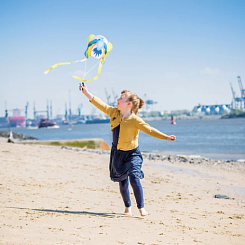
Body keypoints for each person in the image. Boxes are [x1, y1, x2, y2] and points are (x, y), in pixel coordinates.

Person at [80, 83, 176, 216]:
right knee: (122, 181)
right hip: (117, 154)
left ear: (129, 104)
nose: (118, 100)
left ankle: (141, 208)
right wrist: (86, 92)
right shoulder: (114, 112)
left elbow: (150, 130)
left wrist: (166, 137)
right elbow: (100, 104)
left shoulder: (134, 120)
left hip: (132, 154)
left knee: (134, 177)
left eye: (121, 98)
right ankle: (127, 208)